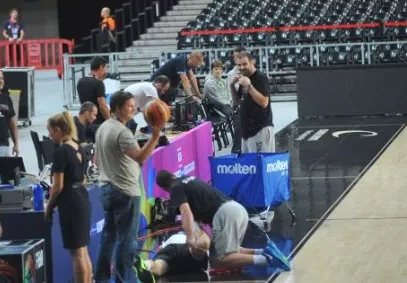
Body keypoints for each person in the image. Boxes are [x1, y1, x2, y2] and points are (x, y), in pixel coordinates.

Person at [155, 171, 290, 272]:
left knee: (218, 260)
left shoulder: (175, 188)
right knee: (229, 251)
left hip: (225, 214)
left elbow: (186, 212)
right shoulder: (188, 180)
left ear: (164, 188)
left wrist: (189, 238)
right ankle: (262, 251)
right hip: (237, 209)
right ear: (173, 175)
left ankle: (268, 259)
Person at [94, 91, 161, 283]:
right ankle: (124, 279)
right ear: (117, 108)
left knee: (108, 238)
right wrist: (155, 137)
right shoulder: (122, 132)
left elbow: (97, 159)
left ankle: (101, 278)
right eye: (129, 106)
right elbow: (140, 157)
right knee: (127, 240)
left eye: (133, 105)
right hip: (124, 190)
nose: (133, 109)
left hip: (106, 188)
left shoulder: (103, 127)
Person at [45, 111, 92, 283]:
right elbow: (83, 178)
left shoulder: (61, 152)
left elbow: (58, 186)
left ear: (57, 130)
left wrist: (49, 206)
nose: (49, 135)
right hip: (82, 197)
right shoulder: (79, 147)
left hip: (70, 202)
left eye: (50, 131)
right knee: (83, 251)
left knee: (76, 253)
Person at [229, 51, 275, 153]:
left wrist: (249, 86)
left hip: (260, 129)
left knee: (260, 161)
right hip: (246, 130)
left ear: (252, 62)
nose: (241, 67)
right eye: (239, 65)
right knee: (249, 162)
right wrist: (232, 86)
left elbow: (264, 102)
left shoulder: (260, 77)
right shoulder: (244, 78)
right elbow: (237, 102)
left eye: (244, 64)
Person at [134, 227, 210, 281]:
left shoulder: (207, 259)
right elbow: (162, 249)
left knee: (161, 268)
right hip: (173, 255)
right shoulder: (178, 239)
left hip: (179, 264)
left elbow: (161, 248)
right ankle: (147, 266)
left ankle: (147, 266)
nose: (196, 252)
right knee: (161, 267)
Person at [77, 56, 110, 125]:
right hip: (98, 122)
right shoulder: (99, 84)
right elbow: (102, 106)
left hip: (85, 121)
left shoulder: (80, 81)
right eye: (105, 68)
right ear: (101, 67)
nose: (106, 71)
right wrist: (110, 121)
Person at [227, 46, 247, 153]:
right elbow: (232, 94)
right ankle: (235, 155)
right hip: (238, 108)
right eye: (236, 57)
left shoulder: (251, 71)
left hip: (251, 107)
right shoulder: (231, 74)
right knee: (238, 134)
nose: (238, 59)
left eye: (240, 56)